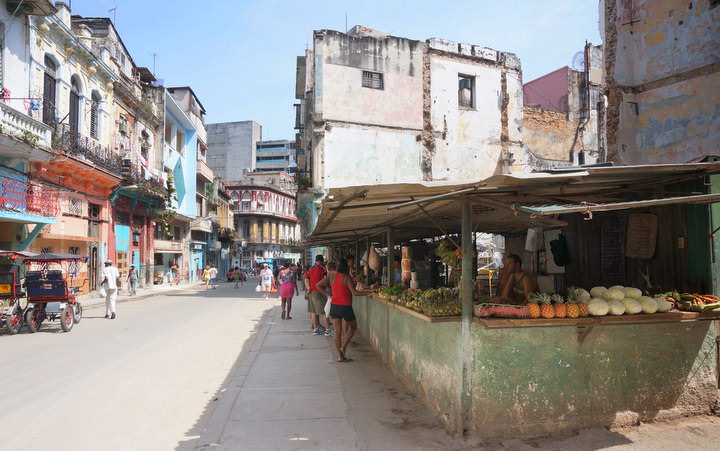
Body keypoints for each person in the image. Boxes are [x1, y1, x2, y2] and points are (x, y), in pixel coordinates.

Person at [317, 258, 373, 362]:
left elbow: (318, 285)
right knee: (353, 327)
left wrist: (329, 295)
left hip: (334, 306)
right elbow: (355, 292)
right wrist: (368, 293)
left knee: (337, 332)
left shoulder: (332, 276)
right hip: (345, 306)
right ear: (346, 267)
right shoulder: (346, 278)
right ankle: (344, 347)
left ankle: (340, 356)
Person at [304, 255, 329, 335]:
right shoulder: (323, 269)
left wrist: (308, 288)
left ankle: (316, 329)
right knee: (324, 312)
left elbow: (306, 279)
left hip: (311, 292)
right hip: (319, 291)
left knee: (313, 311)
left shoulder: (311, 269)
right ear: (321, 261)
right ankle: (328, 330)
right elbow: (325, 280)